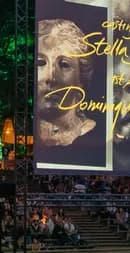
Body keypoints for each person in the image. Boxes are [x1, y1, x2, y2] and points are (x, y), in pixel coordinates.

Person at [35, 19, 107, 168]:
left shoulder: (95, 134)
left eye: (64, 64)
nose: (51, 77)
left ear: (81, 78)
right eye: (41, 63)